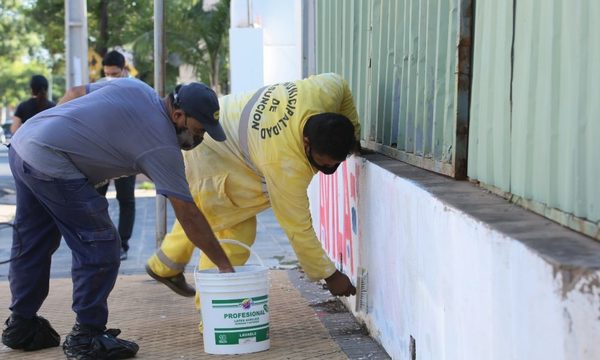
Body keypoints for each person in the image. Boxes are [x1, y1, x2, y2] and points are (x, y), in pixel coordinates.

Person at [1, 77, 234, 359]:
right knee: (100, 244)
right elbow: (189, 215)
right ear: (178, 115)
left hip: (25, 141)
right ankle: (86, 337)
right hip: (50, 160)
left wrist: (65, 138)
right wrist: (224, 266)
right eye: (199, 130)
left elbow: (75, 92)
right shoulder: (161, 146)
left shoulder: (136, 87)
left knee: (34, 240)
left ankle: (22, 324)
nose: (199, 139)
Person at [146, 73, 359, 308]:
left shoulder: (323, 91)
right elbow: (298, 228)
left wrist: (355, 135)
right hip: (207, 149)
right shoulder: (285, 163)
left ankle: (164, 266)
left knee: (208, 215)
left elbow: (342, 84)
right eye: (324, 162)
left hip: (222, 131)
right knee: (233, 234)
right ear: (306, 143)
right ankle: (212, 315)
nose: (330, 168)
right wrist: (330, 275)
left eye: (337, 162)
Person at [96, 50, 136, 261]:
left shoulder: (136, 88)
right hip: (102, 151)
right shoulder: (99, 86)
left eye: (114, 73)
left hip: (127, 152)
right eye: (107, 73)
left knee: (126, 199)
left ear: (124, 69)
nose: (110, 77)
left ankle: (123, 244)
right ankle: (102, 240)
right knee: (96, 197)